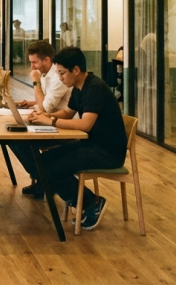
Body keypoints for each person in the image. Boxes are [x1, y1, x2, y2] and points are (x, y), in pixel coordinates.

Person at [27, 47, 127, 230]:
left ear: (76, 70)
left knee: (51, 169)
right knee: (42, 162)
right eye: (58, 73)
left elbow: (85, 124)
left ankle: (91, 204)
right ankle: (84, 202)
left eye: (62, 73)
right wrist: (44, 118)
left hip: (107, 151)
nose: (60, 78)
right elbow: (68, 112)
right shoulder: (79, 87)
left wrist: (51, 121)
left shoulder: (94, 88)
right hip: (91, 144)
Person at [11, 41, 72, 198]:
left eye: (34, 62)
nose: (32, 67)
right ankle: (43, 181)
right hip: (51, 120)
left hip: (64, 127)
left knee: (21, 143)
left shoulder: (58, 77)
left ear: (46, 60)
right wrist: (31, 102)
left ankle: (46, 182)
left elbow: (45, 108)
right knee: (14, 139)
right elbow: (44, 102)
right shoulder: (46, 74)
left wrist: (36, 82)